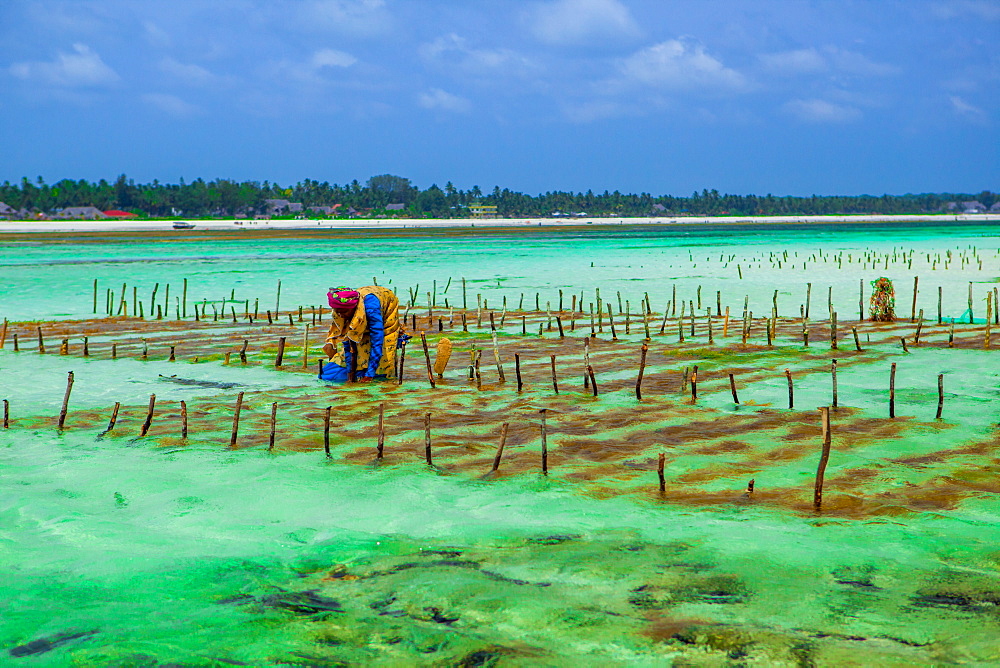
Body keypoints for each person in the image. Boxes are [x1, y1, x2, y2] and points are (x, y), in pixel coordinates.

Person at [319, 285, 406, 382]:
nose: (340, 315)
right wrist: (350, 372)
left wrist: (369, 375)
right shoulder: (340, 312)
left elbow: (377, 340)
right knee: (327, 376)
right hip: (363, 314)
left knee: (381, 371)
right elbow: (347, 342)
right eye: (337, 311)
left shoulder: (371, 308)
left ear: (354, 308)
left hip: (385, 319)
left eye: (344, 312)